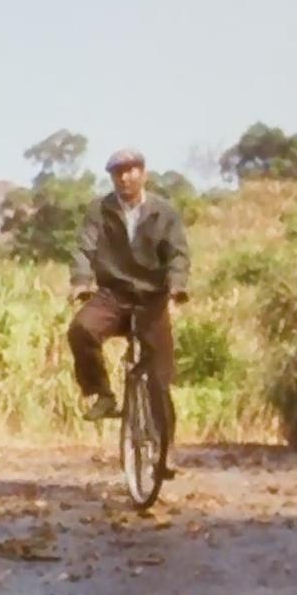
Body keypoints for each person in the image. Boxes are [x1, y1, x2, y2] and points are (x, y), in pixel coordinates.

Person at [67, 147, 190, 477]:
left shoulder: (164, 212)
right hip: (113, 295)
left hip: (152, 299)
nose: (125, 177)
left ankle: (166, 453)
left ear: (143, 173)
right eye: (118, 172)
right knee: (81, 329)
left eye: (131, 170)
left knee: (159, 381)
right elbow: (84, 248)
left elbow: (178, 254)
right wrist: (81, 281)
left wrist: (177, 286)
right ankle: (101, 394)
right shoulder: (100, 210)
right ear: (112, 178)